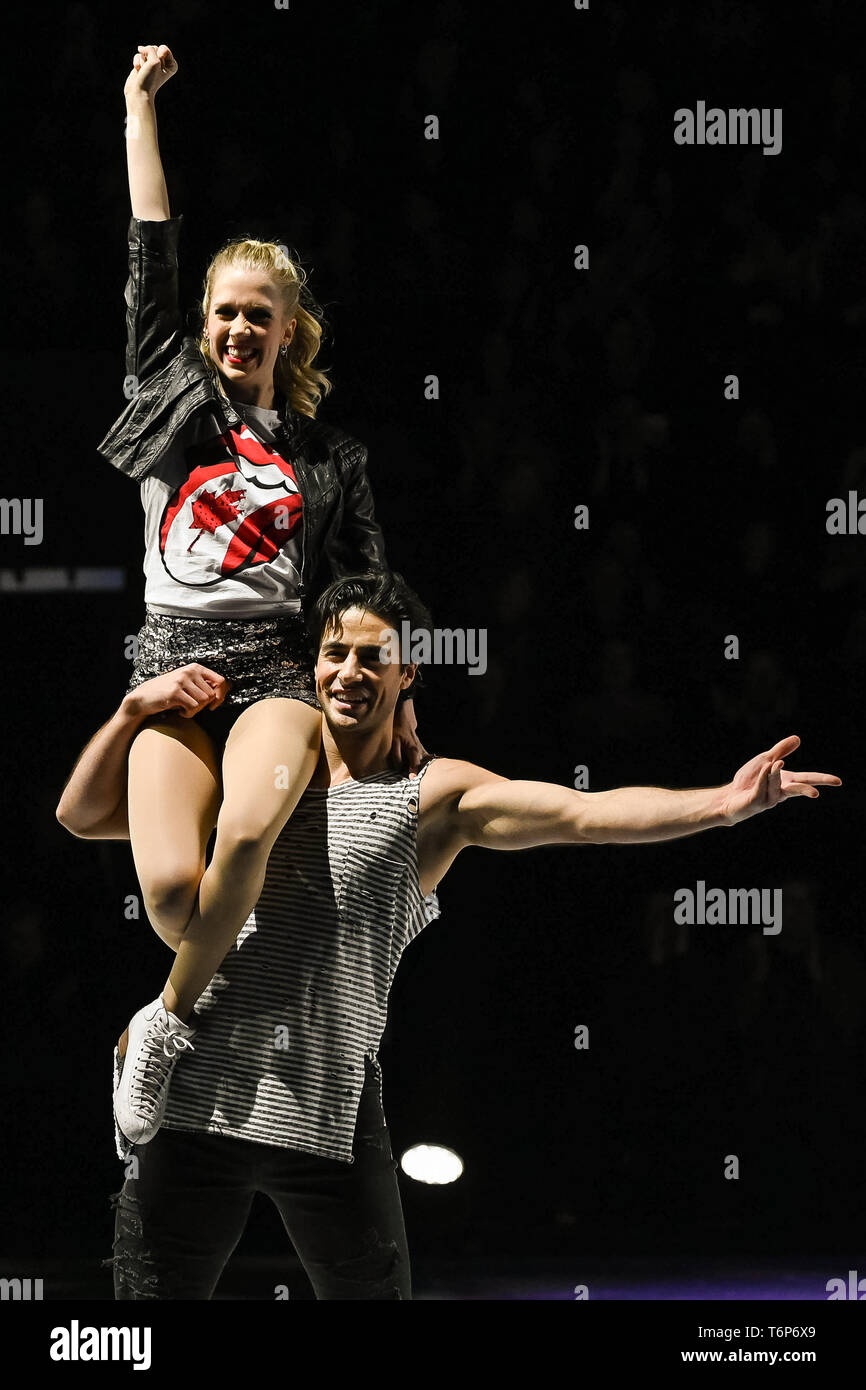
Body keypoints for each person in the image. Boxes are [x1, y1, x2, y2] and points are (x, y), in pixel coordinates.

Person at [55, 569, 842, 1299]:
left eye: (374, 658)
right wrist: (131, 711)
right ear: (312, 666)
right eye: (334, 654)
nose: (350, 672)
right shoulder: (248, 781)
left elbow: (586, 815)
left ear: (408, 676)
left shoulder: (432, 796)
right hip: (195, 1101)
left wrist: (721, 805)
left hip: (330, 1116)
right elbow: (85, 815)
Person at [86, 43, 426, 1149]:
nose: (236, 329)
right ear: (203, 326)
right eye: (222, 312)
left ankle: (163, 1032)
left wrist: (396, 698)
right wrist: (140, 108)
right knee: (180, 898)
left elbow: (368, 591)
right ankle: (200, 1003)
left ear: (290, 332)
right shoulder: (166, 397)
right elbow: (151, 247)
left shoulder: (330, 454)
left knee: (245, 844)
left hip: (272, 667)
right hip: (166, 666)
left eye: (258, 316)